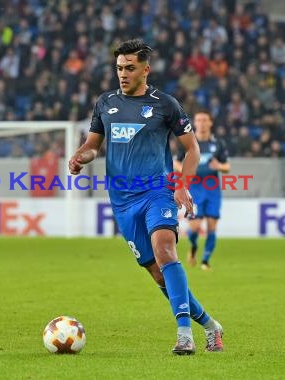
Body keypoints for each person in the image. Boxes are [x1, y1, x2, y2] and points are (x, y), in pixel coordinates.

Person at [68, 39, 223, 355]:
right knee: (157, 273)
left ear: (145, 69)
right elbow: (93, 146)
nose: (122, 74)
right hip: (122, 200)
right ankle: (210, 326)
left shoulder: (165, 104)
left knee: (166, 250)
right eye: (119, 68)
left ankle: (184, 335)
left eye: (129, 68)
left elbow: (192, 149)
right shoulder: (105, 103)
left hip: (158, 190)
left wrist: (181, 184)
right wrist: (80, 157)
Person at [174, 111, 230, 270]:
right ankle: (193, 248)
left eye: (205, 120)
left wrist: (219, 166)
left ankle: (205, 261)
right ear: (195, 123)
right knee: (195, 227)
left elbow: (227, 166)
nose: (202, 123)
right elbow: (176, 163)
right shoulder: (188, 142)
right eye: (199, 120)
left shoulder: (218, 143)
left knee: (212, 226)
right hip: (195, 190)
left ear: (210, 123)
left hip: (213, 190)